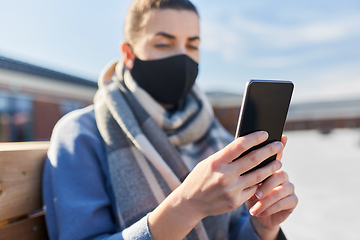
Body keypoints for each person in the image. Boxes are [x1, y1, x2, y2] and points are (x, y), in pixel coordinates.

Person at [42, 0, 298, 239]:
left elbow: (233, 228)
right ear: (128, 54)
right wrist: (187, 206)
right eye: (163, 44)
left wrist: (262, 227)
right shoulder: (81, 133)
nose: (182, 58)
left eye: (192, 46)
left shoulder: (213, 132)